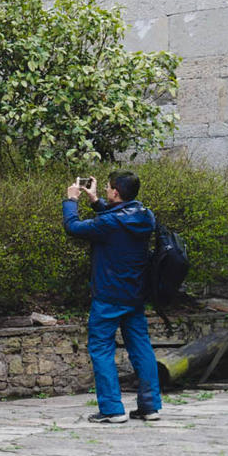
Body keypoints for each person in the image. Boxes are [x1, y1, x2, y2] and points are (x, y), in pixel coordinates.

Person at [63, 171, 162, 424]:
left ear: (116, 192)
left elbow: (73, 227)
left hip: (108, 296)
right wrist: (95, 200)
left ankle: (111, 409)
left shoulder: (110, 223)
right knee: (141, 348)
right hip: (135, 295)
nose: (106, 190)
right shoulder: (145, 216)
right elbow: (117, 221)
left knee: (101, 350)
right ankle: (150, 407)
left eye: (108, 188)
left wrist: (71, 200)